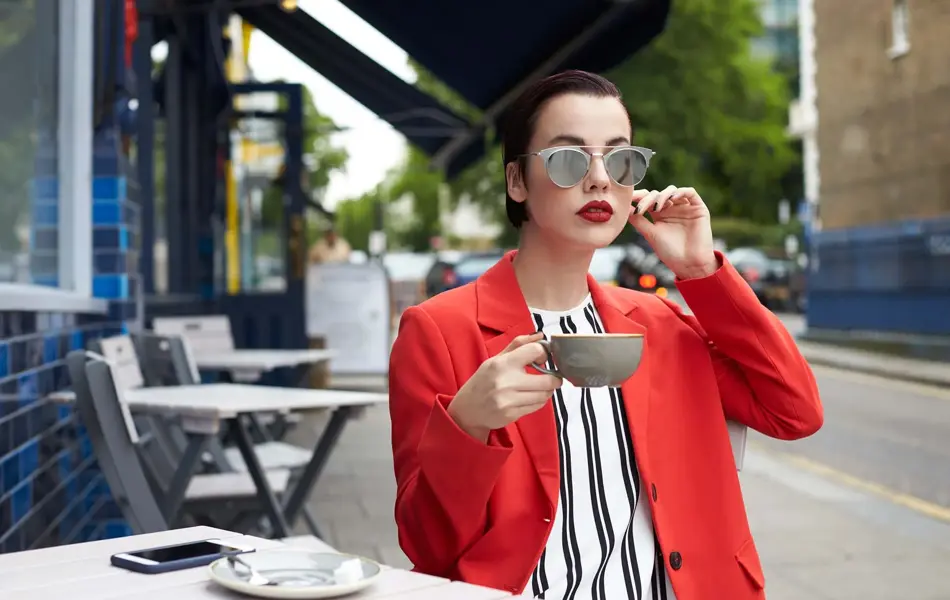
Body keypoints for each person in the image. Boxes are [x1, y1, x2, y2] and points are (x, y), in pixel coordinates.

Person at [388, 70, 822, 600]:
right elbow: (425, 544)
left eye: (620, 159)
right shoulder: (439, 330)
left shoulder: (658, 324)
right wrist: (467, 424)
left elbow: (794, 411)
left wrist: (701, 272)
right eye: (568, 159)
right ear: (517, 181)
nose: (599, 179)